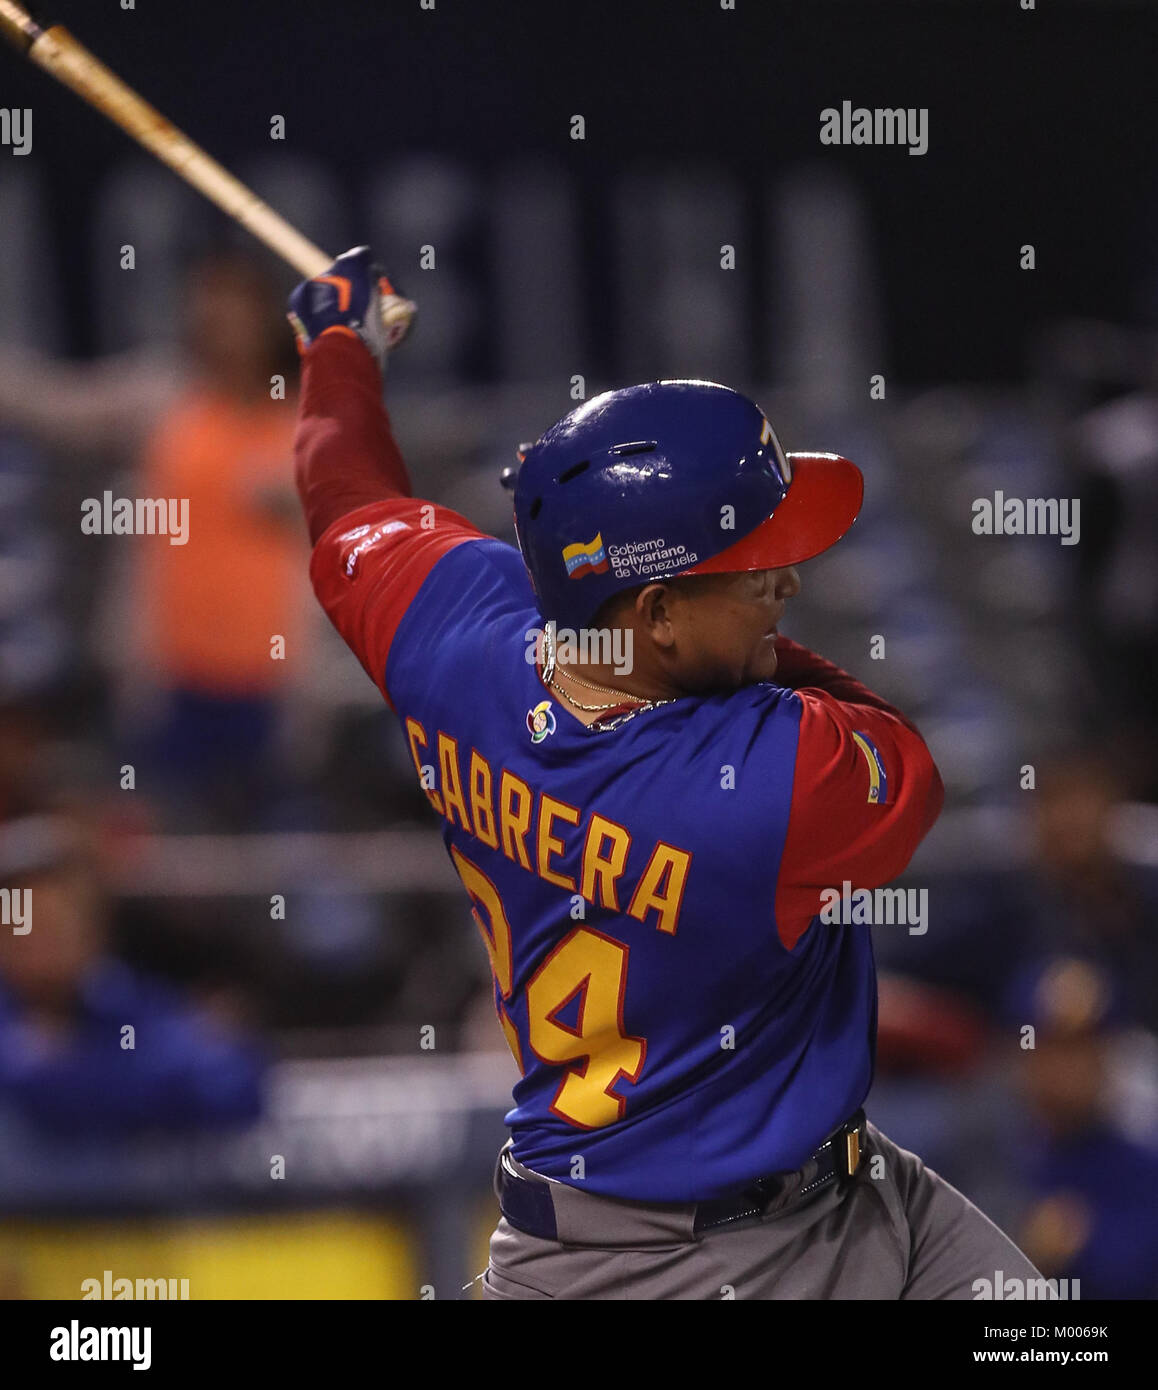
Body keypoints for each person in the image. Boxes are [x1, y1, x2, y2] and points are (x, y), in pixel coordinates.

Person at [286, 246, 1041, 1300]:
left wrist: (335, 347)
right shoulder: (763, 786)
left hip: (868, 1202)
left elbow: (344, 493)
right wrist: (342, 344)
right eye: (749, 572)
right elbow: (904, 758)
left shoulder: (453, 635)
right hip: (653, 1265)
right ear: (654, 613)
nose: (786, 580)